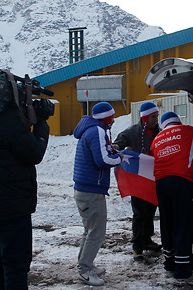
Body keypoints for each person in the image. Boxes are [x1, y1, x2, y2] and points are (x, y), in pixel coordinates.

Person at [0, 70, 51, 289]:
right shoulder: (6, 121)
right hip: (12, 209)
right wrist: (41, 124)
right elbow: (34, 154)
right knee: (16, 265)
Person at [151, 111, 193, 286]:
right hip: (181, 181)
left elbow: (158, 156)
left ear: (164, 125)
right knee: (183, 224)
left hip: (161, 183)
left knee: (167, 222)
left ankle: (170, 263)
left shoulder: (157, 139)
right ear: (178, 122)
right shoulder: (188, 130)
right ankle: (184, 272)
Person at [73, 102, 123, 286]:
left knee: (89, 230)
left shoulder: (91, 129)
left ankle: (85, 264)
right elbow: (102, 160)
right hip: (91, 191)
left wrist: (113, 149)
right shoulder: (97, 131)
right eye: (112, 116)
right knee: (97, 232)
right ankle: (85, 269)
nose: (114, 119)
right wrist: (120, 158)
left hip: (84, 189)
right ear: (106, 117)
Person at [112, 102, 162, 261]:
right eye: (153, 117)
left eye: (156, 116)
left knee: (150, 212)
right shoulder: (133, 131)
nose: (156, 119)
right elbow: (120, 141)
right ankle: (137, 247)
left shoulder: (160, 133)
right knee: (140, 213)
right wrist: (118, 145)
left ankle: (147, 240)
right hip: (138, 181)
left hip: (153, 179)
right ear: (145, 117)